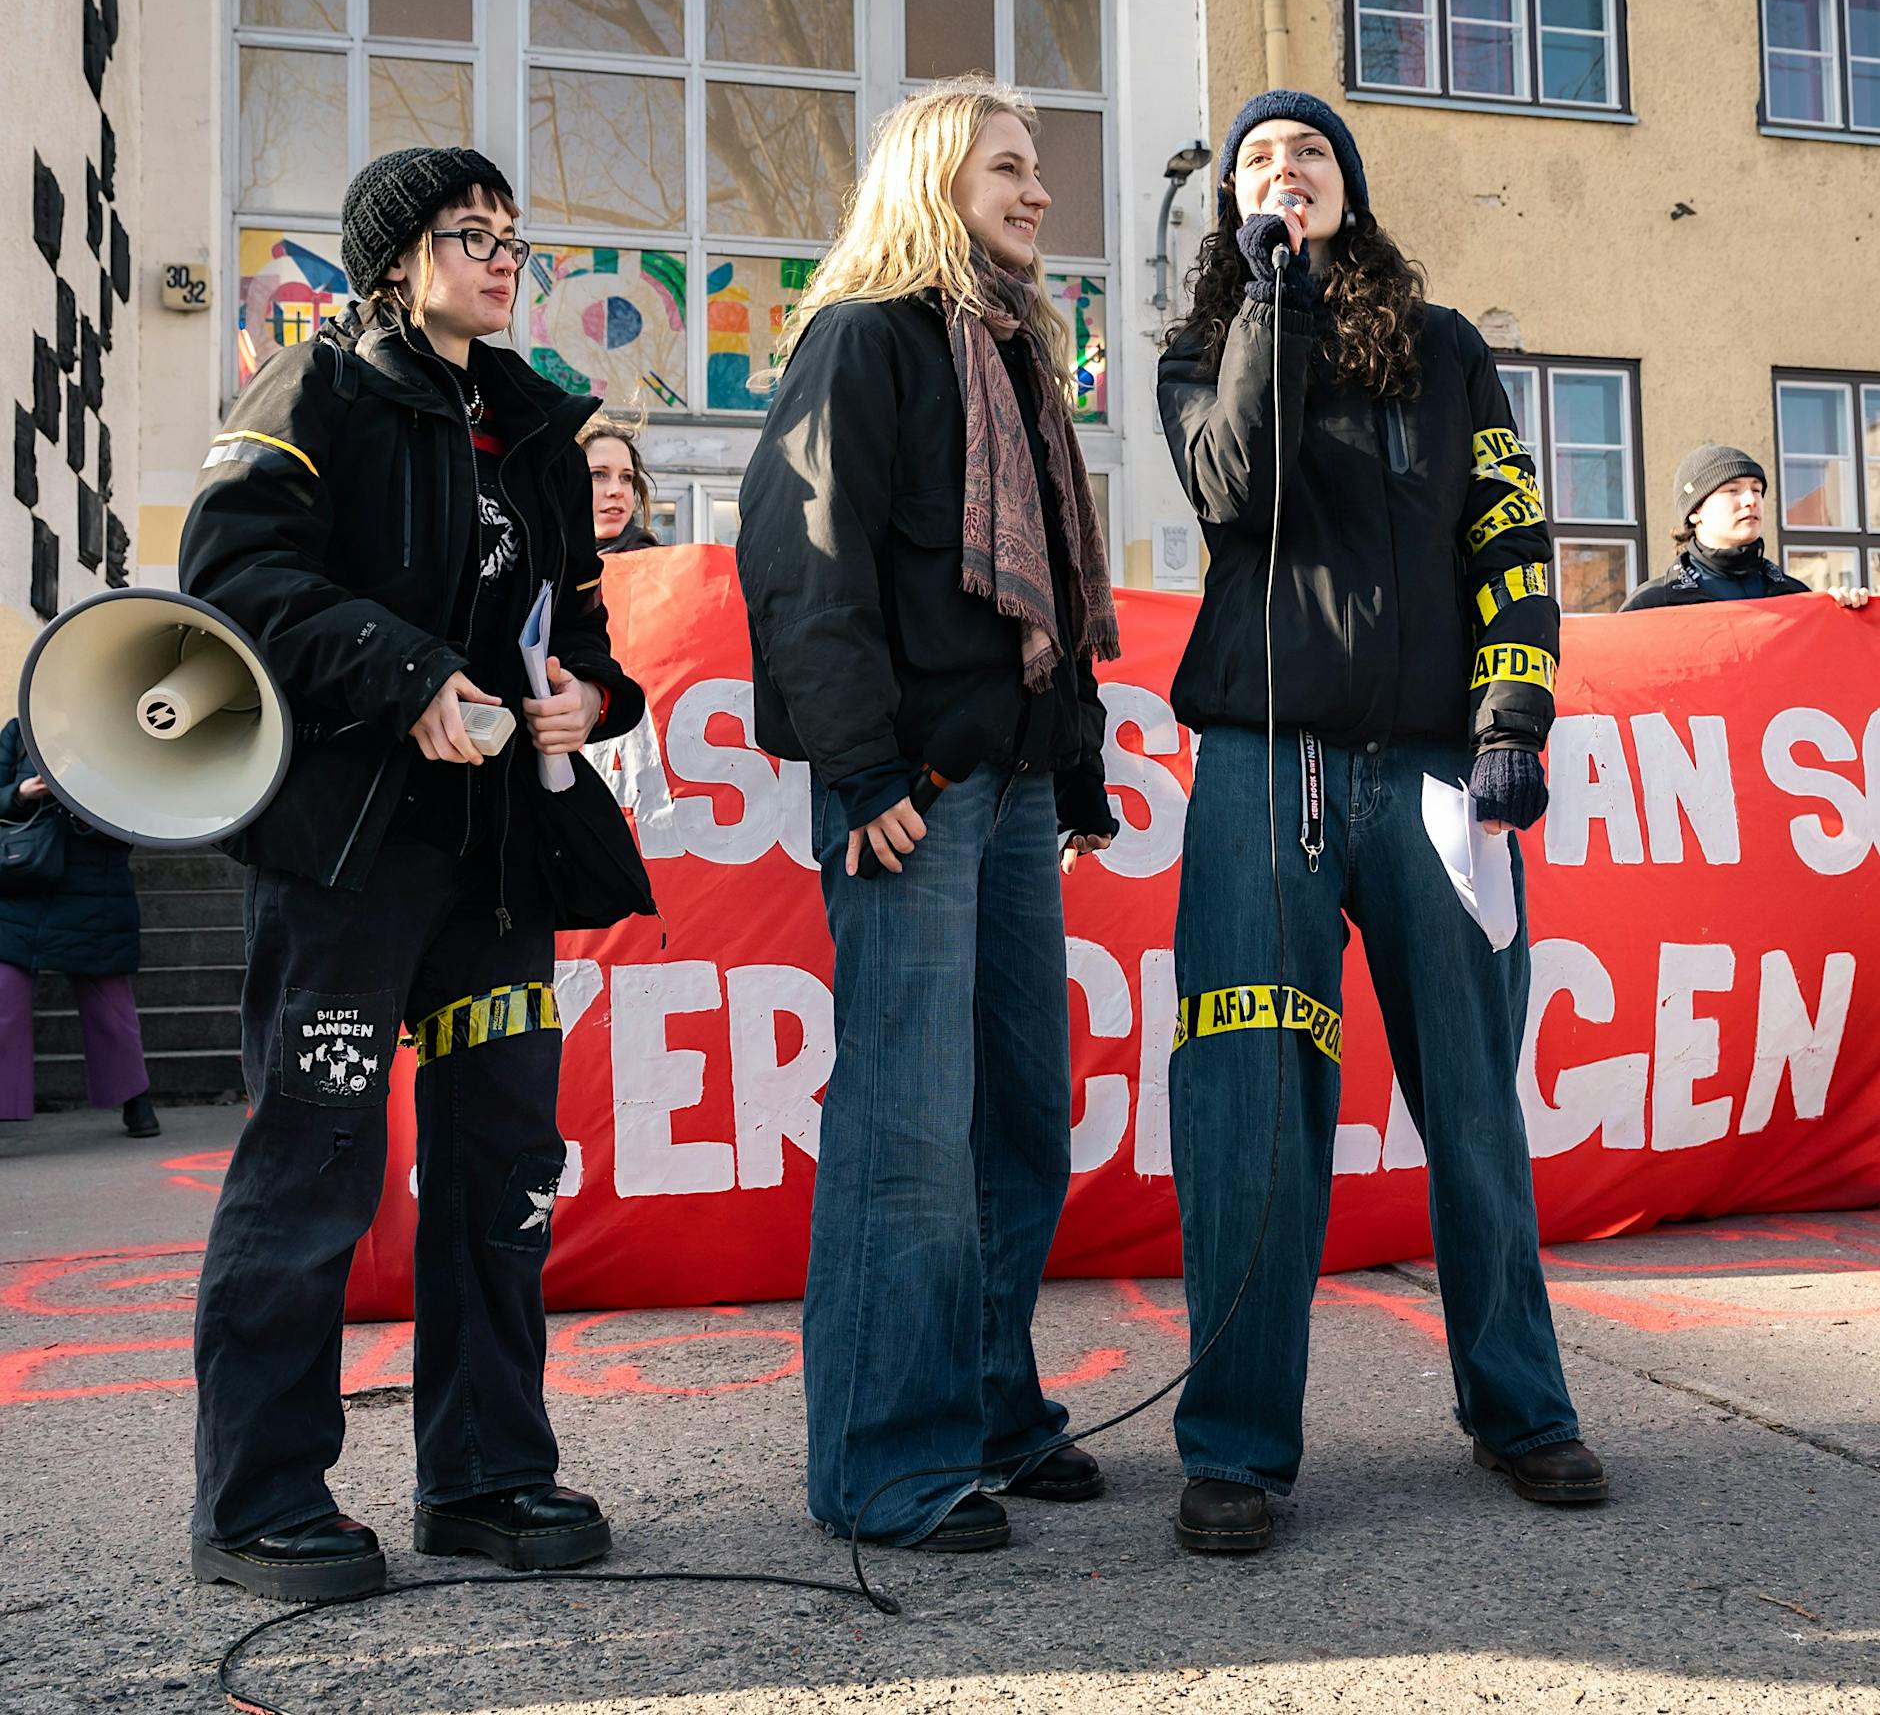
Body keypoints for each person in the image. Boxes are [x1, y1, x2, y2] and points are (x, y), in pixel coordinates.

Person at [179, 145, 653, 1603]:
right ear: (394, 258)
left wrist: (588, 699)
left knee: (502, 1166)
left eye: (516, 237)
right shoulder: (314, 390)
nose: (505, 260)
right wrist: (407, 675)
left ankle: (486, 1473)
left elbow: (582, 633)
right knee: (315, 1160)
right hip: (349, 849)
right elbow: (233, 581)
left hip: (498, 857)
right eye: (471, 233)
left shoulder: (540, 427)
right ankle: (259, 1502)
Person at [1157, 90, 1605, 1556]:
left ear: (1350, 187)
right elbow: (1235, 486)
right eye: (1258, 159)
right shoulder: (1198, 349)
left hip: (1430, 778)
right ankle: (1236, 1447)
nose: (1285, 170)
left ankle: (1520, 1409)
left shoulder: (1446, 348)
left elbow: (1508, 540)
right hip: (1263, 768)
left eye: (1311, 154)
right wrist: (1269, 310)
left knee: (1472, 1102)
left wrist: (1512, 716)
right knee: (1250, 1106)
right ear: (1235, 204)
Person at [737, 77, 1122, 1554]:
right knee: (906, 1127)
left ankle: (988, 1407)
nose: (1037, 190)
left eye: (1035, 166)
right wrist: (858, 774)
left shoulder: (1016, 353)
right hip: (916, 792)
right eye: (1007, 167)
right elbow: (800, 560)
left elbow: (1053, 597)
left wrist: (1073, 766)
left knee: (1020, 1120)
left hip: (1013, 787)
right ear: (933, 182)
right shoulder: (864, 337)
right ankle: (885, 1464)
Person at [0, 717, 157, 1136]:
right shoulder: (19, 732)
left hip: (95, 888)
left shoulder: (114, 729)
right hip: (23, 885)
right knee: (4, 1000)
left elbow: (138, 817)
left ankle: (135, 1100)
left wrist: (84, 809)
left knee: (110, 1005)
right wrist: (21, 793)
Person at [1621, 444, 1872, 610]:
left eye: (1756, 489)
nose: (1751, 500)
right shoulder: (1654, 604)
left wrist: (1845, 616)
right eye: (1732, 490)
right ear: (1696, 511)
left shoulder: (1794, 596)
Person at [580, 406, 664, 553]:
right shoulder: (541, 558)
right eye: (598, 474)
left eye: (626, 477)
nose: (617, 490)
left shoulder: (658, 564)